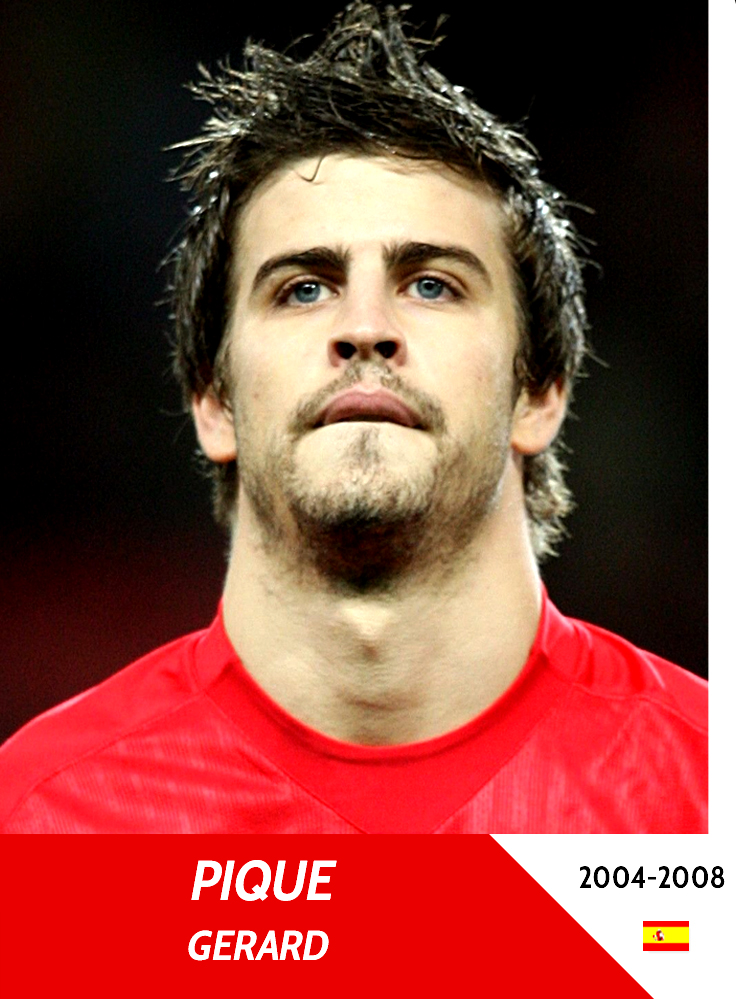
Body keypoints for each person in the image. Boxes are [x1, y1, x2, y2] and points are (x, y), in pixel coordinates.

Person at [0, 2, 706, 834]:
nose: (365, 326)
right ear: (213, 401)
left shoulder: (707, 794)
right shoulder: (40, 821)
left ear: (540, 390)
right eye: (303, 288)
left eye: (432, 284)